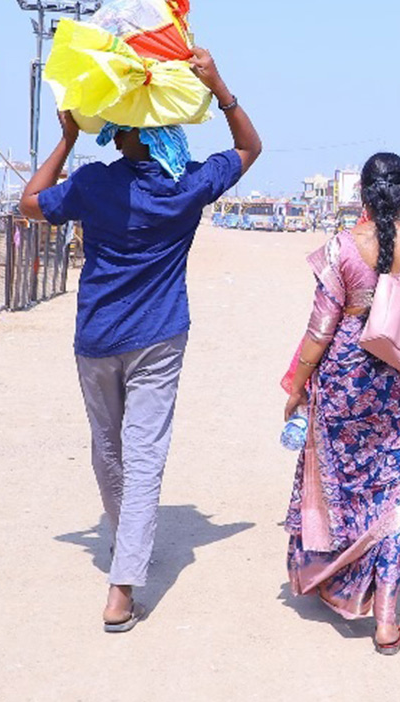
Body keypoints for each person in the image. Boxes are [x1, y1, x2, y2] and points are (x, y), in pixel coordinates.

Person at [19, 48, 261, 631]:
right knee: (145, 454)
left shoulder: (94, 183)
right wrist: (219, 86)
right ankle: (122, 588)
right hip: (159, 336)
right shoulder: (189, 187)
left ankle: (124, 543)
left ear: (124, 135)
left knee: (108, 449)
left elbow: (29, 204)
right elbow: (250, 149)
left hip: (97, 336)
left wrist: (69, 139)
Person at [283, 153, 400, 655]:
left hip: (345, 380)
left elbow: (320, 329)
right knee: (396, 492)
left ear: (362, 194)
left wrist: (298, 386)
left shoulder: (340, 248)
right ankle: (386, 619)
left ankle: (335, 579)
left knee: (345, 483)